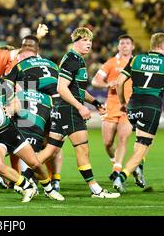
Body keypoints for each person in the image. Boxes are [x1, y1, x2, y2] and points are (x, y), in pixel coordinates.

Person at [0, 55, 64, 202]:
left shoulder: (2, 85)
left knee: (34, 163)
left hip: (9, 131)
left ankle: (49, 189)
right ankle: (27, 187)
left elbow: (16, 103)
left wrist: (10, 109)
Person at [42, 27, 120, 198]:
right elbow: (61, 88)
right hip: (69, 110)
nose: (89, 44)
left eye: (90, 41)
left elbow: (77, 89)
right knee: (82, 148)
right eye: (84, 40)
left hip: (63, 109)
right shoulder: (72, 59)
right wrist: (80, 107)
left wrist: (95, 102)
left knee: (50, 151)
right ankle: (95, 189)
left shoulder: (77, 59)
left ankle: (23, 181)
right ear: (75, 42)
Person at [113, 32, 164, 192]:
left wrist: (123, 103)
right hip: (151, 106)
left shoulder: (136, 59)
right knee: (143, 146)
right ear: (162, 46)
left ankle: (138, 168)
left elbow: (119, 82)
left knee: (139, 139)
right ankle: (121, 176)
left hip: (133, 104)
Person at [2, 42, 63, 194]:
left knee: (26, 141)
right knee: (53, 144)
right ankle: (55, 180)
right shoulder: (53, 65)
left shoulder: (21, 66)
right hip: (59, 104)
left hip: (33, 105)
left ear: (21, 57)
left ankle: (27, 178)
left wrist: (8, 105)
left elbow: (8, 87)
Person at [91, 35, 145, 186]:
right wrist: (107, 84)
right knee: (108, 143)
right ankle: (118, 163)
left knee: (123, 139)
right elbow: (95, 81)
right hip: (112, 106)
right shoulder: (111, 63)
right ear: (118, 46)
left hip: (129, 107)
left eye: (128, 43)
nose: (125, 46)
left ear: (132, 47)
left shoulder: (138, 62)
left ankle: (117, 170)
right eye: (122, 43)